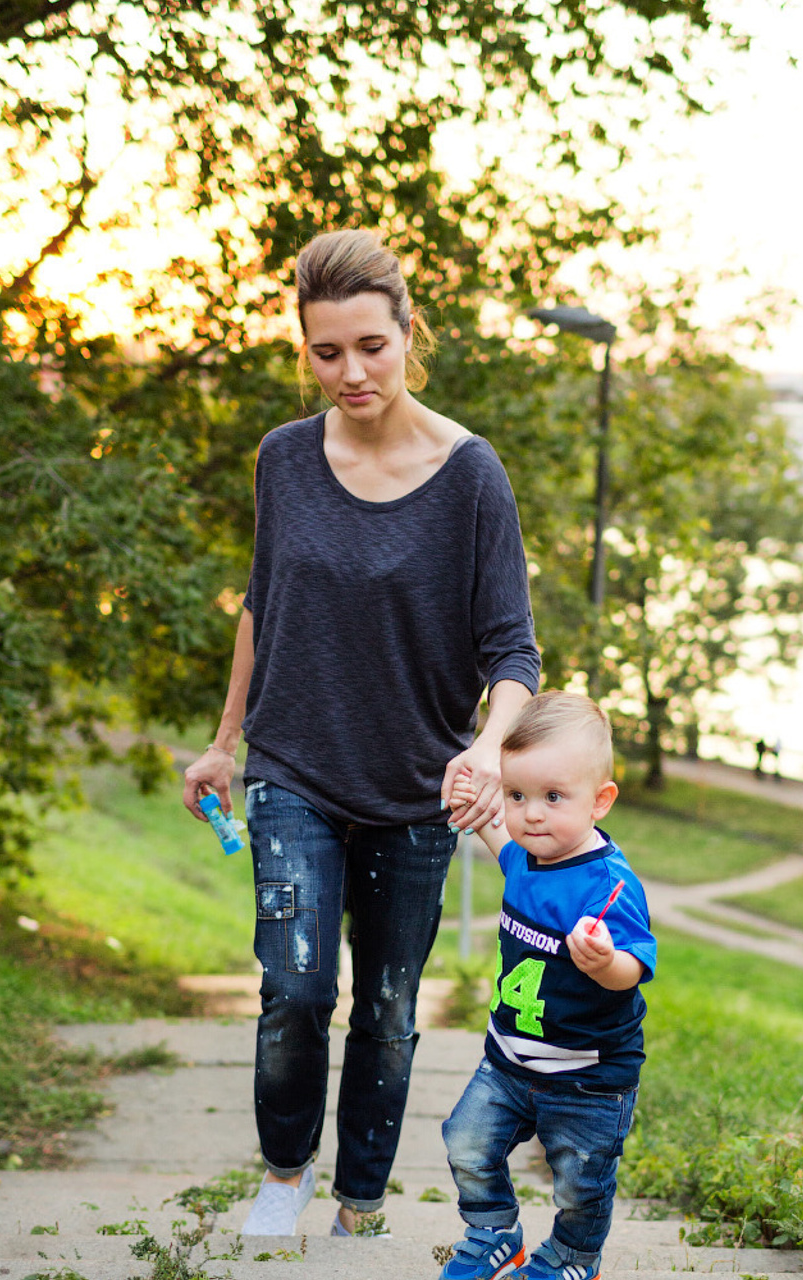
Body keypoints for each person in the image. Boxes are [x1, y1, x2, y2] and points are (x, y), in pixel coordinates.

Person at [181, 228, 541, 1238]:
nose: (349, 372)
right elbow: (263, 603)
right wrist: (223, 740)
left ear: (405, 332)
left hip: (415, 786)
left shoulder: (470, 474)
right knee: (295, 986)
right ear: (304, 347)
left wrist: (483, 750)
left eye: (369, 347)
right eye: (325, 351)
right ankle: (284, 1169)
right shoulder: (283, 460)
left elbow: (513, 651)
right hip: (291, 764)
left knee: (385, 1007)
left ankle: (359, 1196)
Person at [437, 690, 656, 1280]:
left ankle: (572, 1256)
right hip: (507, 1060)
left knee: (580, 1181)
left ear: (599, 801)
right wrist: (476, 806)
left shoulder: (608, 884)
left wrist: (603, 962)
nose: (531, 813)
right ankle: (492, 1233)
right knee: (465, 1142)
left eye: (553, 797)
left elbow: (635, 965)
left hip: (588, 1078)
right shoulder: (527, 856)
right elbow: (500, 844)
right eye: (517, 795)